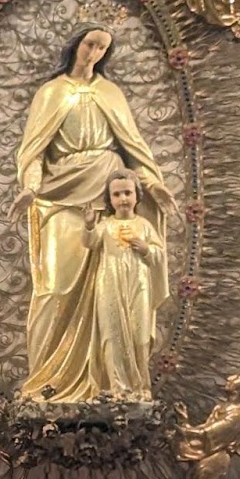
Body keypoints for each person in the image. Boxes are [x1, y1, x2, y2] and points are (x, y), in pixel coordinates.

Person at [8, 23, 177, 402]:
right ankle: (45, 384)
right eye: (90, 44)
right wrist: (30, 188)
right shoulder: (51, 92)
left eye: (102, 48)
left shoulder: (110, 93)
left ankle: (109, 385)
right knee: (54, 288)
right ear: (76, 45)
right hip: (59, 198)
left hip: (105, 199)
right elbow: (34, 150)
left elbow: (133, 147)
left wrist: (152, 184)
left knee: (111, 295)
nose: (94, 53)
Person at [78, 170, 168, 399]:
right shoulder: (106, 225)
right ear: (110, 199)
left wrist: (146, 249)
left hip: (139, 286)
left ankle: (140, 388)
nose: (123, 199)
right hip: (110, 285)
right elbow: (90, 242)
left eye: (128, 193)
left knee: (140, 336)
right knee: (112, 336)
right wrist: (88, 225)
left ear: (137, 195)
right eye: (116, 195)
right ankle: (118, 389)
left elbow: (160, 255)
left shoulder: (144, 226)